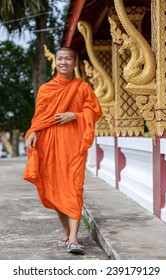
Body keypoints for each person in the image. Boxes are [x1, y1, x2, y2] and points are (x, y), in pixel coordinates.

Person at [23, 46, 102, 255]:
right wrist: (32, 132)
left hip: (74, 145)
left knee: (74, 186)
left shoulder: (83, 88)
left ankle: (74, 238)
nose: (64, 62)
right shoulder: (46, 89)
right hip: (50, 144)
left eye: (68, 59)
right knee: (55, 188)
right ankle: (67, 231)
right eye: (60, 59)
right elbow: (39, 117)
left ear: (75, 63)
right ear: (55, 62)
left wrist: (74, 115)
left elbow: (94, 111)